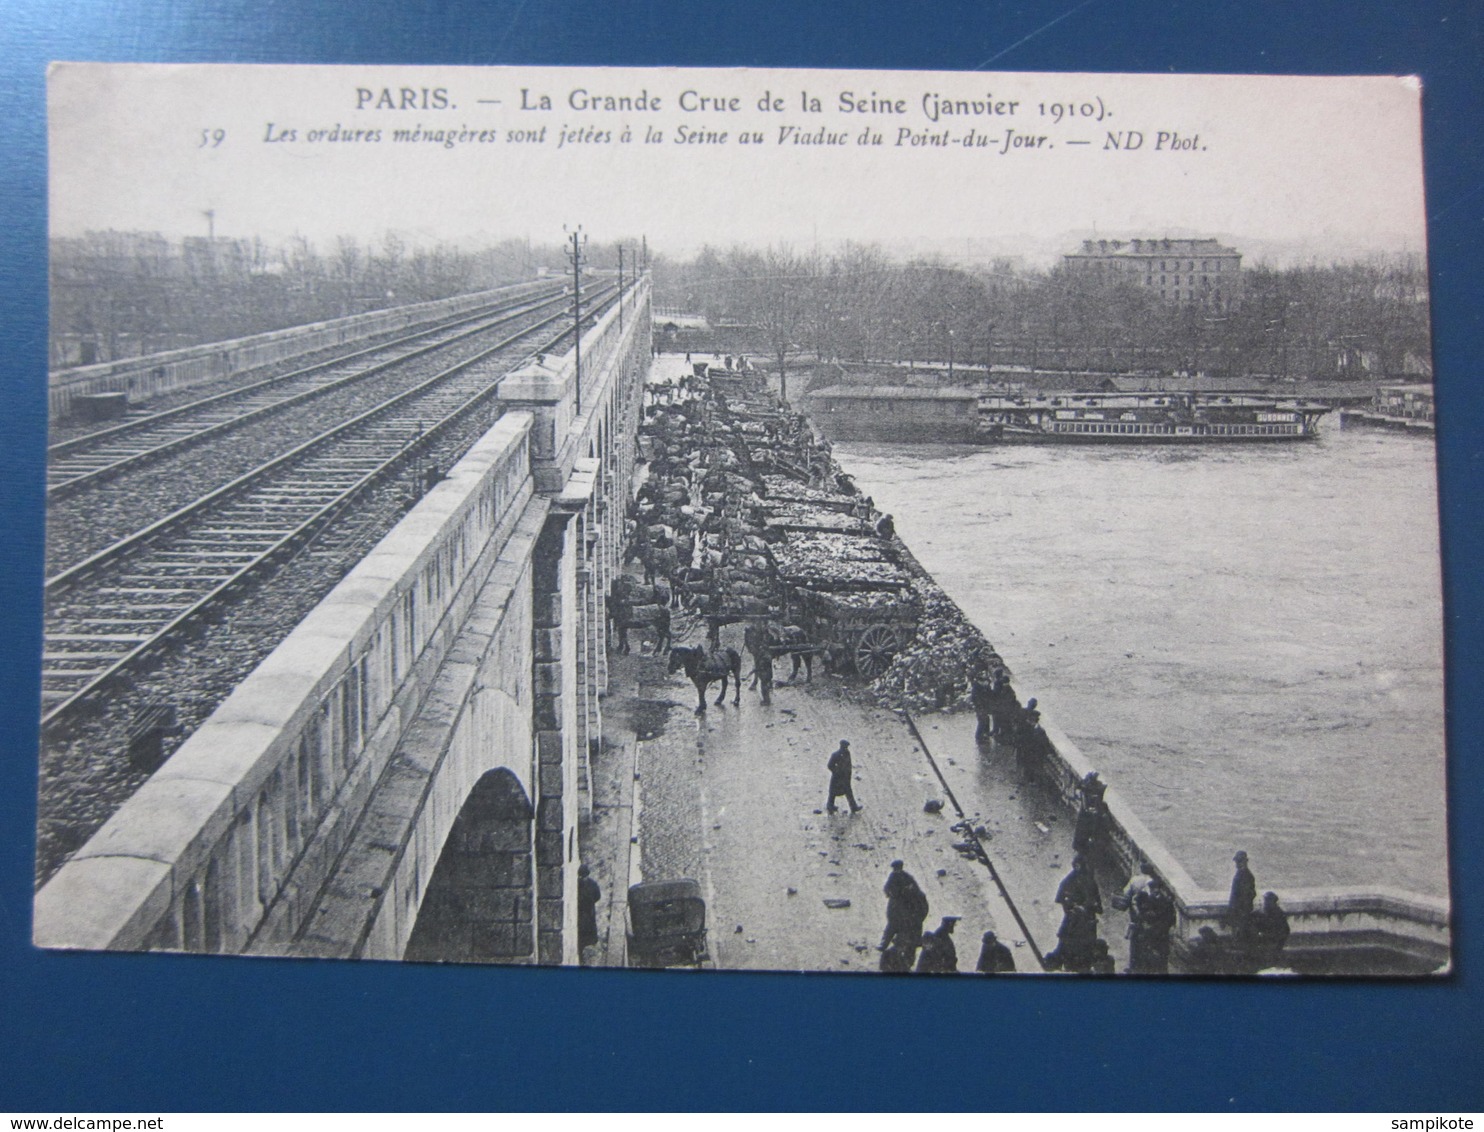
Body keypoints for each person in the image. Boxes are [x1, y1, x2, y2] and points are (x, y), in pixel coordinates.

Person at [1046, 854, 1102, 972]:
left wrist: (1087, 908)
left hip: (1085, 921)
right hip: (1075, 921)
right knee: (1068, 946)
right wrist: (1073, 908)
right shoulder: (1070, 880)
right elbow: (1062, 899)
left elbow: (1096, 902)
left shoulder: (1088, 880)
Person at [1127, 873, 1177, 974]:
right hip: (1151, 934)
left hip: (1159, 934)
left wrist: (1154, 927)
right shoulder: (1148, 900)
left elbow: (1169, 920)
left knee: (1160, 960)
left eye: (1156, 889)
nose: (1154, 890)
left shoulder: (1164, 903)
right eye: (1153, 889)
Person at [881, 860, 929, 963]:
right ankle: (885, 944)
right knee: (893, 926)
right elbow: (887, 889)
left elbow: (915, 891)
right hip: (899, 909)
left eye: (897, 868)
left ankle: (888, 945)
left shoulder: (905, 877)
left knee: (898, 927)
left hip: (904, 909)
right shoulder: (896, 877)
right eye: (896, 868)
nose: (896, 870)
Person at [1249, 891, 1291, 969]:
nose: (1265, 903)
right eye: (1264, 900)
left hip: (1274, 941)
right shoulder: (1256, 913)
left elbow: (1285, 930)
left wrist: (1275, 938)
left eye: (1268, 900)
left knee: (1271, 952)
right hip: (1260, 941)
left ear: (1273, 902)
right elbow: (1252, 927)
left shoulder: (1279, 914)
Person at [1072, 770, 1109, 856]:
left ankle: (1081, 847)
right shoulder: (1098, 787)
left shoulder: (1085, 786)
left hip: (1086, 813)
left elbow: (1078, 787)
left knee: (1082, 831)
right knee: (1089, 831)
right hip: (1090, 814)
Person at [1227, 850, 1257, 945]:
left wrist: (1238, 909)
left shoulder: (1245, 875)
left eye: (1239, 861)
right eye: (1237, 861)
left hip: (1241, 910)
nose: (1237, 863)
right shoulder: (1243, 874)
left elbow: (1246, 895)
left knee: (1239, 934)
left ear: (1245, 861)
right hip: (1239, 910)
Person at [825, 739, 862, 814]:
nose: (846, 748)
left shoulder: (847, 753)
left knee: (848, 792)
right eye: (845, 746)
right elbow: (830, 765)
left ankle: (853, 807)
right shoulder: (835, 755)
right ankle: (830, 805)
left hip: (845, 777)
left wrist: (848, 774)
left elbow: (848, 765)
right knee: (833, 792)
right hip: (837, 778)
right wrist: (836, 772)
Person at [577, 864, 601, 952]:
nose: (583, 878)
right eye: (582, 876)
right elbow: (598, 896)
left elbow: (598, 896)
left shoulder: (589, 884)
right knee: (585, 927)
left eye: (584, 875)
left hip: (586, 909)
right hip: (584, 910)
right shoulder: (591, 883)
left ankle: (587, 943)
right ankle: (584, 943)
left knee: (587, 926)